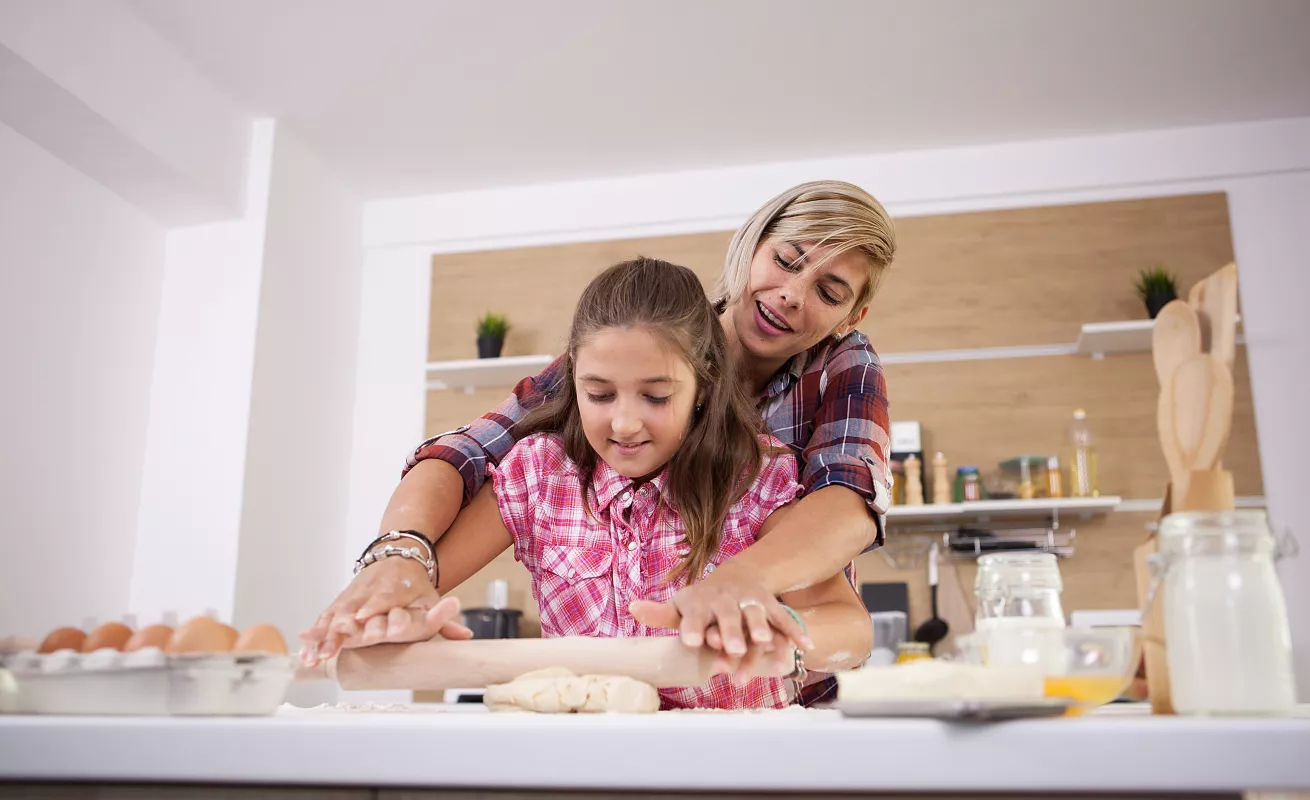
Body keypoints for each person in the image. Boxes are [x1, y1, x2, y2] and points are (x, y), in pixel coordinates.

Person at [302, 180, 897, 702]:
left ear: (702, 385)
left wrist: (756, 600)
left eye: (657, 396)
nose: (626, 422)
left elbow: (846, 512)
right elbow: (467, 453)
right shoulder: (553, 457)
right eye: (602, 394)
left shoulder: (770, 469)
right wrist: (400, 567)